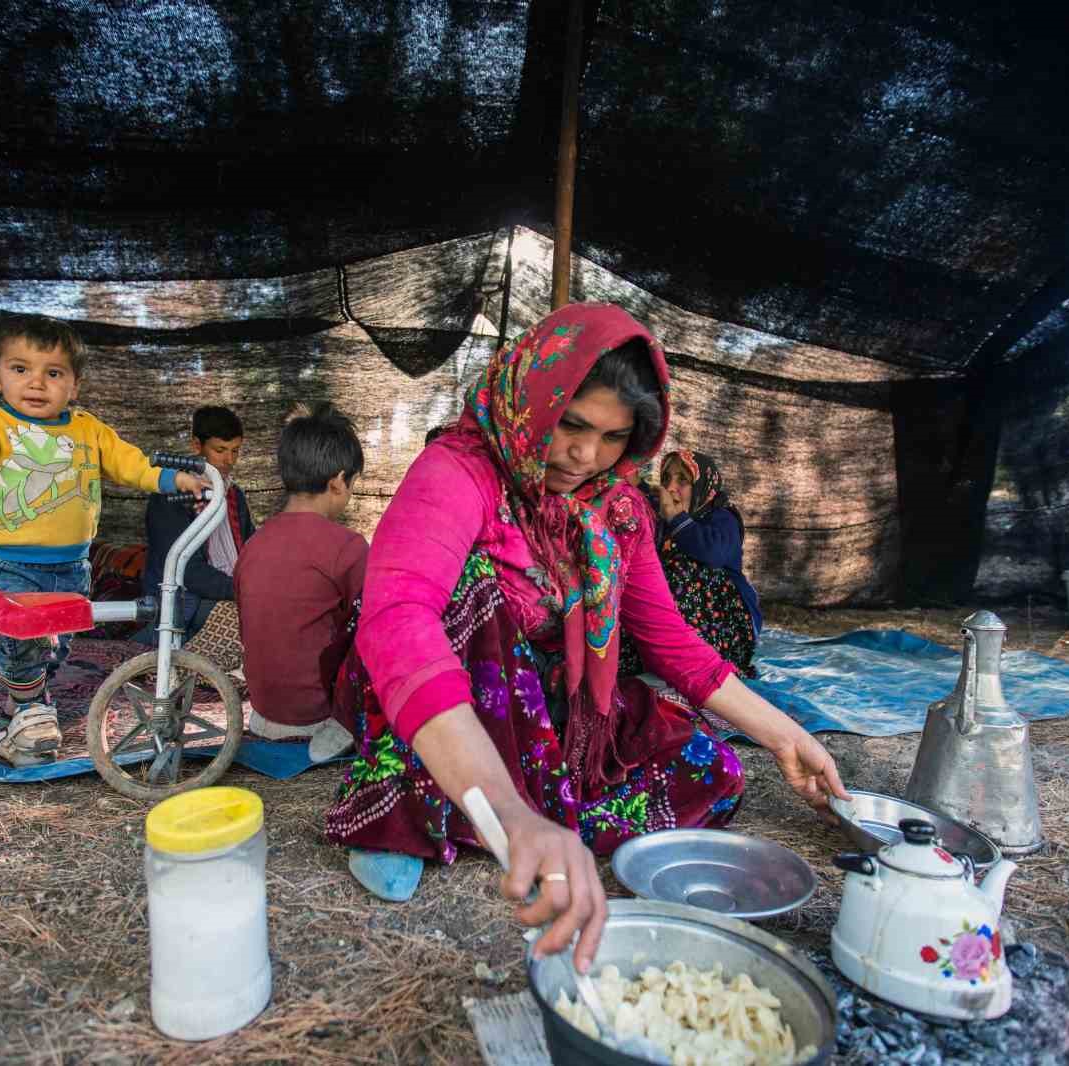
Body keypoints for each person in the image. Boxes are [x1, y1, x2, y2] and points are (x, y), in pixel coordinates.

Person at [324, 303, 849, 974]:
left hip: (530, 709)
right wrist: (509, 810)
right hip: (438, 693)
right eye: (570, 424)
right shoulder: (460, 470)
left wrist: (787, 735)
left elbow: (672, 644)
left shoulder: (619, 509)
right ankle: (431, 804)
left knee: (709, 769)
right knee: (473, 588)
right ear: (532, 400)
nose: (585, 454)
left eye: (612, 436)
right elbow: (398, 620)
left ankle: (520, 815)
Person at [0, 315, 206, 766]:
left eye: (53, 373)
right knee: (23, 645)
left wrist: (169, 478)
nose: (36, 383)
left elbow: (129, 463)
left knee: (54, 646)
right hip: (10, 563)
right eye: (20, 369)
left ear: (73, 386)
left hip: (74, 565)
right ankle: (31, 710)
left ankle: (15, 718)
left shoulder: (88, 430)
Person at [234, 404, 369, 761]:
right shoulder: (349, 547)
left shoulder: (253, 545)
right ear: (339, 481)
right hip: (317, 718)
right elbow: (371, 626)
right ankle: (344, 727)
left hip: (263, 715)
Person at [619, 450, 763, 680]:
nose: (671, 488)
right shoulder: (664, 514)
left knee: (685, 571)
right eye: (666, 479)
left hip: (730, 622)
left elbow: (713, 554)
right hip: (685, 617)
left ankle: (700, 661)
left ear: (702, 486)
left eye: (683, 481)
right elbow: (645, 491)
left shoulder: (723, 517)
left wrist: (677, 519)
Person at [137, 405, 256, 665]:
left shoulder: (234, 496)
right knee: (249, 621)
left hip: (231, 590)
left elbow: (250, 551)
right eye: (220, 450)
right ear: (196, 446)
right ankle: (188, 667)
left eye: (235, 451)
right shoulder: (170, 497)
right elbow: (187, 571)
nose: (229, 460)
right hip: (186, 599)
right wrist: (242, 591)